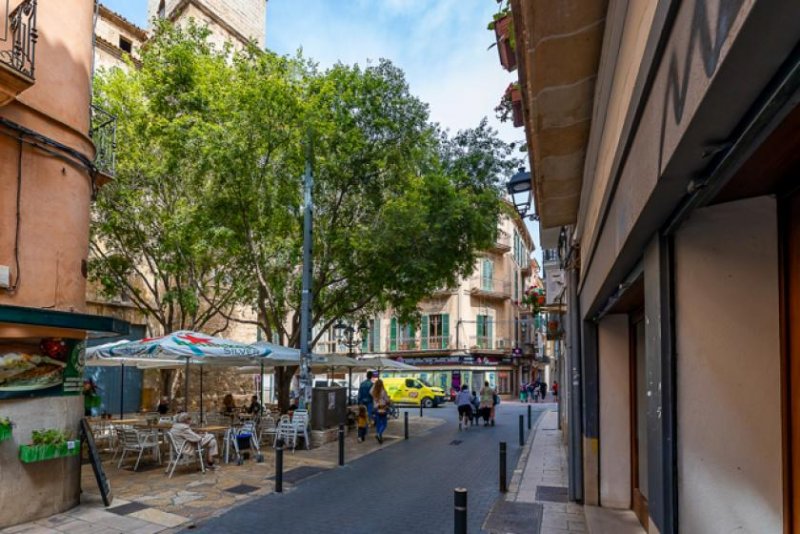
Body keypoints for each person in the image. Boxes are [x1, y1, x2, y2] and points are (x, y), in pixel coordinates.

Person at [370, 378, 390, 444]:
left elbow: (370, 391)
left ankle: (379, 436)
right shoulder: (383, 391)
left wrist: (375, 385)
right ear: (382, 384)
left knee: (378, 423)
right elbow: (387, 400)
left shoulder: (373, 391)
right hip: (382, 408)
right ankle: (379, 434)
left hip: (376, 408)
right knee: (384, 423)